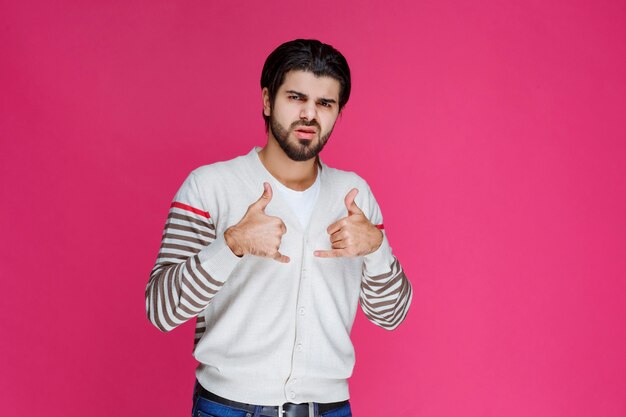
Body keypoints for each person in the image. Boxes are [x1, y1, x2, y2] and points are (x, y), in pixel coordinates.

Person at [145, 39, 412, 417]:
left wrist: (377, 247)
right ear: (268, 101)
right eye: (296, 98)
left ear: (338, 113)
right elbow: (160, 309)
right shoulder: (210, 186)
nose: (309, 114)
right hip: (229, 407)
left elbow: (391, 316)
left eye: (325, 103)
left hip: (329, 408)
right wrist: (232, 244)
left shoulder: (355, 195)